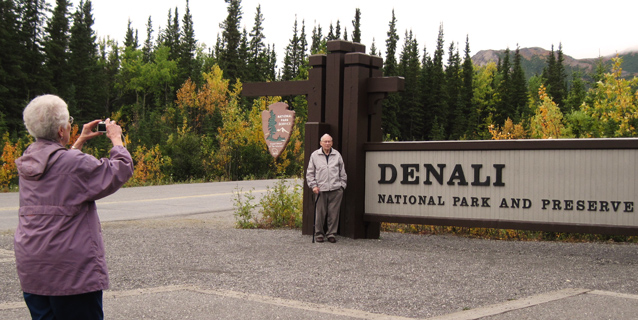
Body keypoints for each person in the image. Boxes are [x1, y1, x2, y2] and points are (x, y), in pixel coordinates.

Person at [14, 94, 134, 320]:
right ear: (61, 131)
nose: (70, 125)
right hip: (70, 274)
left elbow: (60, 170)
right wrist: (116, 138)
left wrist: (79, 141)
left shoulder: (28, 160)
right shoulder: (73, 164)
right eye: (68, 121)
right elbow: (121, 169)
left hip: (33, 268)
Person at [306, 134, 347, 243]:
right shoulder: (315, 155)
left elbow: (342, 173)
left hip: (335, 189)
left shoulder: (337, 155)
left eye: (329, 141)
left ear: (332, 143)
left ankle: (331, 234)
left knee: (334, 214)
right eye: (325, 141)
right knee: (320, 213)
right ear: (321, 143)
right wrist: (313, 186)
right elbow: (310, 173)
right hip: (320, 190)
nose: (327, 143)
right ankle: (319, 234)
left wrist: (342, 186)